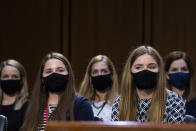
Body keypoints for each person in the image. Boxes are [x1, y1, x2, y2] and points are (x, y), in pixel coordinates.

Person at [111, 45, 185, 123]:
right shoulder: (120, 103)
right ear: (130, 71)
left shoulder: (174, 101)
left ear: (159, 71)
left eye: (151, 67)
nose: (145, 71)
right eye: (138, 67)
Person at [21, 52, 94, 131]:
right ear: (42, 78)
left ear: (68, 75)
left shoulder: (81, 105)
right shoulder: (33, 106)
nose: (54, 74)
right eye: (49, 71)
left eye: (60, 70)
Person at [79, 55, 119, 121]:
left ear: (111, 76)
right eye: (95, 72)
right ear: (90, 78)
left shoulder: (119, 103)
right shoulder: (81, 103)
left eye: (104, 71)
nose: (100, 75)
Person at [165, 51, 196, 118]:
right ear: (167, 75)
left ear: (190, 72)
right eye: (174, 70)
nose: (179, 73)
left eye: (184, 69)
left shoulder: (194, 101)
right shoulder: (160, 101)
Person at [0, 59, 29, 131]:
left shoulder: (28, 106)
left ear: (22, 80)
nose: (10, 79)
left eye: (14, 77)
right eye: (6, 76)